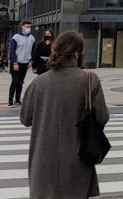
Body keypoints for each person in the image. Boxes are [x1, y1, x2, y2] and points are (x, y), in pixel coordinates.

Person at [20, 31, 108, 199]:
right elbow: (102, 117)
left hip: (43, 161)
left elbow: (25, 119)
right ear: (77, 52)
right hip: (77, 158)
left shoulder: (39, 82)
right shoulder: (89, 80)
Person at [9, 21, 36, 107]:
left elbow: (33, 50)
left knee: (20, 82)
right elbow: (12, 51)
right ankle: (10, 100)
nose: (29, 28)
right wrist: (14, 62)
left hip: (25, 63)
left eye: (30, 27)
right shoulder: (16, 38)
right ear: (22, 27)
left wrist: (31, 61)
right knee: (15, 81)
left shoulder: (32, 38)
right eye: (27, 26)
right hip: (16, 63)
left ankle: (17, 99)